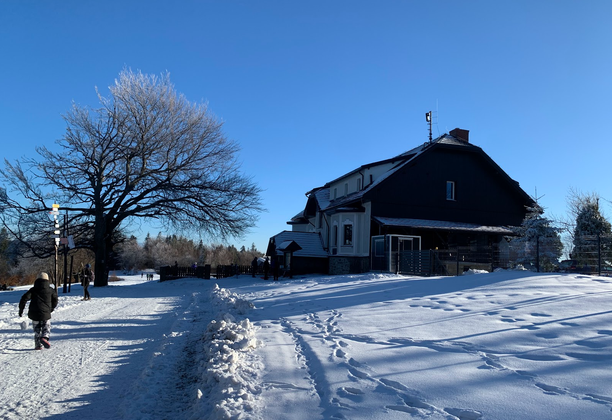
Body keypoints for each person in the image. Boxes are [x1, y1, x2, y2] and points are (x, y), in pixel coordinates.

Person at [19, 272, 58, 350]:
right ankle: (44, 337)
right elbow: (55, 300)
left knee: (37, 329)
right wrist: (51, 308)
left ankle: (38, 345)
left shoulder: (33, 290)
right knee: (46, 327)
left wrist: (21, 309)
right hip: (46, 312)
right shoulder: (50, 290)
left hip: (34, 313)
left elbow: (24, 298)